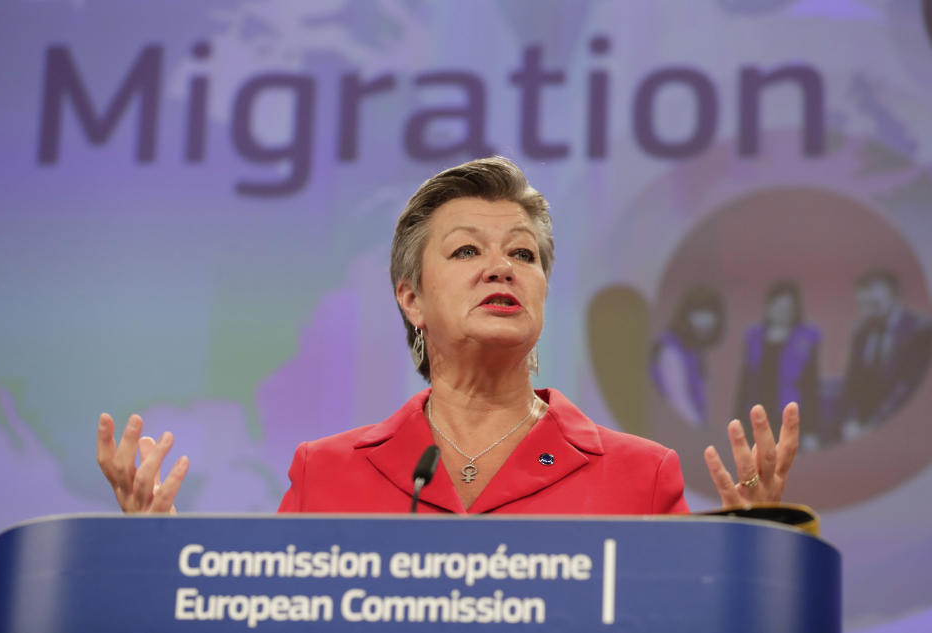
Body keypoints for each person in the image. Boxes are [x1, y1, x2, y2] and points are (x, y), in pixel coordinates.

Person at [96, 157, 800, 515]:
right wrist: (153, 556)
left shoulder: (638, 476)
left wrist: (759, 557)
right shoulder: (326, 475)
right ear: (410, 298)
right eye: (466, 251)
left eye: (522, 254)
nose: (501, 266)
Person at [840, 269, 932, 441]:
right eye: (864, 296)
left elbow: (908, 386)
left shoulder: (920, 331)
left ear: (895, 294)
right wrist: (850, 421)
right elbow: (853, 382)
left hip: (905, 428)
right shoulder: (860, 333)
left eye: (875, 294)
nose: (868, 300)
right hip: (861, 430)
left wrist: (877, 425)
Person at [734, 281, 821, 450]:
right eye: (778, 306)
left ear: (796, 310)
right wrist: (736, 419)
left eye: (788, 307)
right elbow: (745, 381)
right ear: (768, 307)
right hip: (755, 417)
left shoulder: (807, 338)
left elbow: (810, 386)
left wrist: (811, 429)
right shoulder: (754, 336)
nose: (783, 311)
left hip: (789, 418)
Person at [650, 286, 724, 428]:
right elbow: (678, 399)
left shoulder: (695, 349)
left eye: (711, 314)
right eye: (700, 313)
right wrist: (699, 431)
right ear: (685, 315)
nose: (706, 320)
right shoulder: (670, 349)